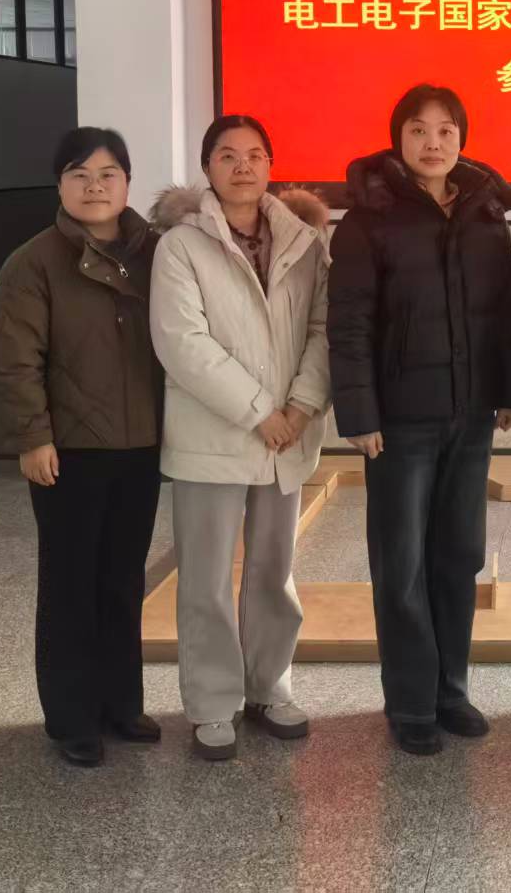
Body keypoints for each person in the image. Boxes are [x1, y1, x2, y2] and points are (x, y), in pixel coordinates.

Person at [327, 84, 511, 756]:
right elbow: (349, 322)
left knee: (458, 555)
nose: (433, 142)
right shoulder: (368, 219)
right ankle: (411, 701)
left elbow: (504, 308)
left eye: (445, 130)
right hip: (400, 420)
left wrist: (507, 390)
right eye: (418, 129)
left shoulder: (485, 211)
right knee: (403, 563)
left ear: (461, 138)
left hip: (470, 414)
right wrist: (359, 411)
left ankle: (451, 691)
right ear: (398, 138)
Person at [149, 114, 332, 762]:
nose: (243, 166)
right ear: (208, 168)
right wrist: (260, 412)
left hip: (287, 435)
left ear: (271, 165)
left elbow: (324, 328)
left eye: (255, 154)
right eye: (227, 155)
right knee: (204, 577)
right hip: (215, 435)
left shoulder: (305, 241)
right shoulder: (181, 245)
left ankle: (269, 687)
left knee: (273, 571)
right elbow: (182, 342)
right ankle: (211, 702)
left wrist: (302, 405)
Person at [0, 127, 165, 767]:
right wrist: (32, 437)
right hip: (70, 450)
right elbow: (10, 359)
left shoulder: (155, 253)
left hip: (141, 444)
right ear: (59, 184)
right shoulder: (33, 263)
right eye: (79, 174)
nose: (95, 187)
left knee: (123, 580)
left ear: (127, 182)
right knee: (70, 584)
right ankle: (72, 717)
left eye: (108, 174)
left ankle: (121, 704)